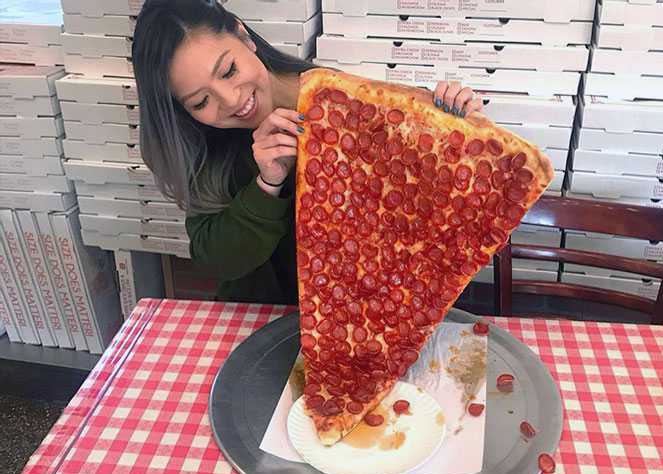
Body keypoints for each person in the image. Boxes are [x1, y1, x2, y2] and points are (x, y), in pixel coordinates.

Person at [131, 0, 484, 304]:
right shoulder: (207, 146)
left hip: (366, 319)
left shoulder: (350, 101)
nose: (231, 100)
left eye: (229, 70)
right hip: (261, 324)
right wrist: (266, 186)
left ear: (243, 36)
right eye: (201, 101)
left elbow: (435, 216)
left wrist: (461, 140)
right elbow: (215, 261)